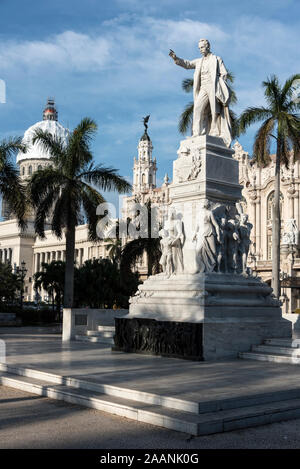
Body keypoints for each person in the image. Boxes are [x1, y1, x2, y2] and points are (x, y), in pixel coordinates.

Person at [169, 39, 232, 146]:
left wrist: (219, 85)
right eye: (199, 48)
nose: (201, 50)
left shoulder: (216, 59)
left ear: (208, 47)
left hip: (213, 87)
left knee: (214, 111)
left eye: (202, 47)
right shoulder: (199, 61)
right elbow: (187, 64)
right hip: (203, 87)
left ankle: (215, 131)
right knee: (197, 108)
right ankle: (196, 132)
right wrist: (176, 58)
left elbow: (224, 73)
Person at [193, 200, 221, 273]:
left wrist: (218, 235)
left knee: (213, 251)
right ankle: (201, 267)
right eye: (204, 203)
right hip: (201, 234)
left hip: (209, 232)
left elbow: (216, 225)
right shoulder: (199, 214)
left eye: (206, 203)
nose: (205, 204)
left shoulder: (209, 213)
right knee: (198, 251)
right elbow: (197, 225)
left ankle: (213, 268)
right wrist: (194, 234)